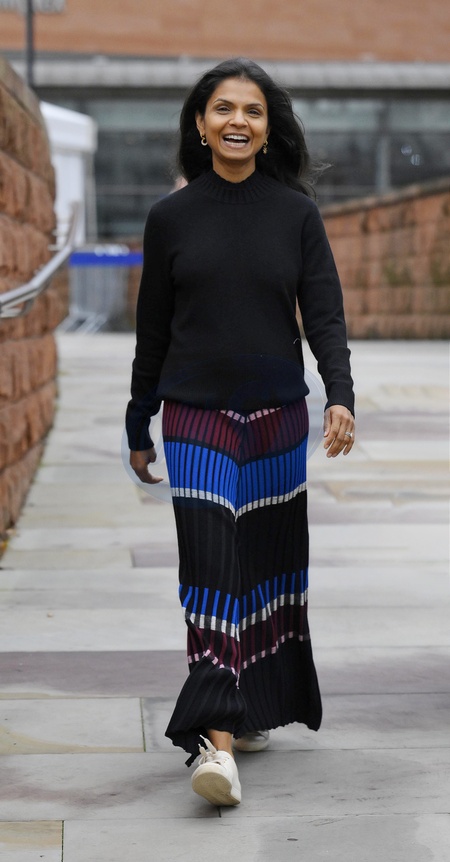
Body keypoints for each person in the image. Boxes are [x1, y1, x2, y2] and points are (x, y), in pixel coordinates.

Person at [126, 57, 355, 808]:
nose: (237, 121)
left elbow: (324, 313)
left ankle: (248, 704)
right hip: (195, 416)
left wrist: (340, 396)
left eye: (252, 111)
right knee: (210, 568)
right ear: (200, 124)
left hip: (278, 420)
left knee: (263, 567)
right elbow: (153, 328)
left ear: (266, 128)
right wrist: (138, 418)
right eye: (223, 108)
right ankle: (215, 743)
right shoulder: (170, 219)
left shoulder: (296, 215)